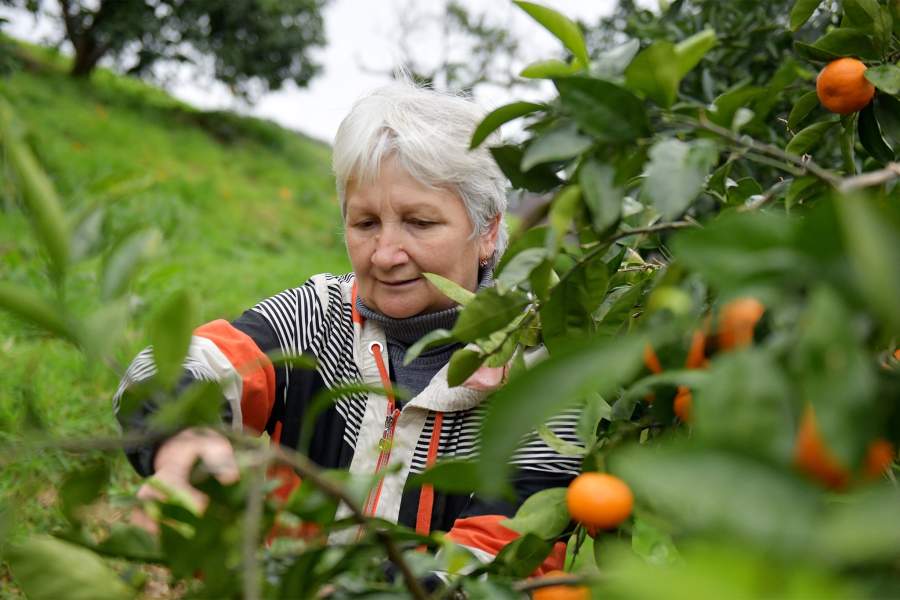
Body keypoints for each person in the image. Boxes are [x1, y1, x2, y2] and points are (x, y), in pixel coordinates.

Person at [114, 81, 581, 575]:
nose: (385, 254)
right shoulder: (315, 318)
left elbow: (499, 561)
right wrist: (184, 440)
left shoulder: (539, 373)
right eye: (365, 224)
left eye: (419, 223)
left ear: (486, 231)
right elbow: (169, 369)